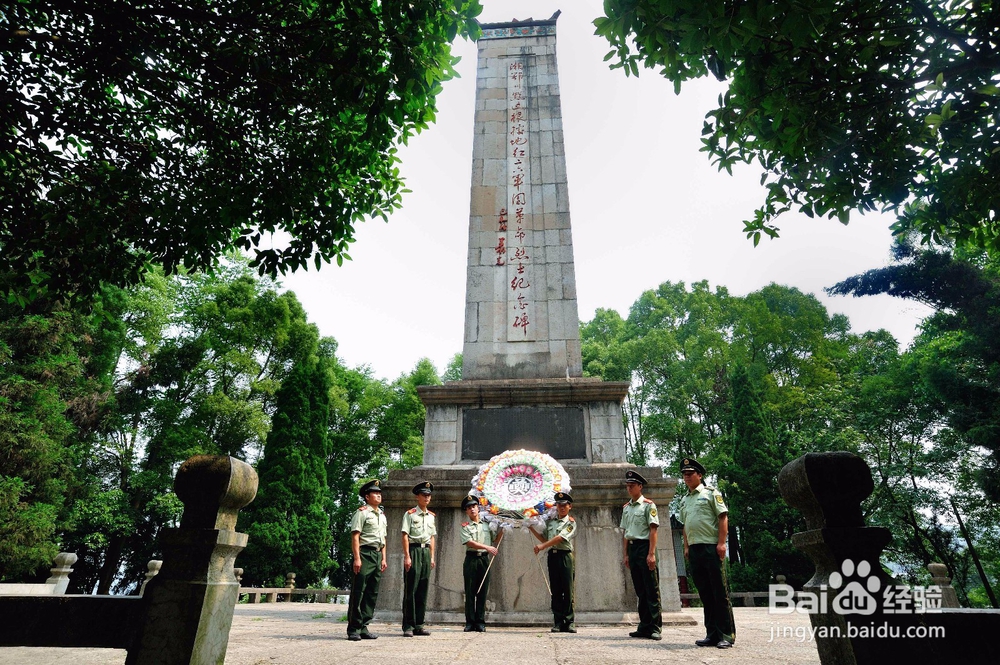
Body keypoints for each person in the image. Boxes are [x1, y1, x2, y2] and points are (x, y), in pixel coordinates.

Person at [679, 458, 736, 650]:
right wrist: (686, 546)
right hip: (694, 549)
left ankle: (726, 635)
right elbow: (686, 525)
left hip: (711, 547)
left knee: (719, 592)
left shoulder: (711, 493)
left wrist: (721, 543)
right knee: (705, 593)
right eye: (684, 474)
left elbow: (723, 517)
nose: (686, 477)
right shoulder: (685, 500)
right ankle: (712, 634)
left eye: (690, 474)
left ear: (699, 475)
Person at [620, 469, 661, 640]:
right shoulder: (626, 508)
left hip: (645, 547)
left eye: (632, 485)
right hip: (633, 549)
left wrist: (651, 554)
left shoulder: (648, 505)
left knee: (651, 589)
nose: (629, 488)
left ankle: (655, 627)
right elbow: (625, 533)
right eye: (627, 485)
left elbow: (653, 530)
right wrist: (625, 554)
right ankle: (644, 626)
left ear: (640, 486)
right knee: (640, 590)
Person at [346, 479, 387, 641]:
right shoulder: (362, 513)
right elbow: (355, 536)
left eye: (379, 493)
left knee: (372, 592)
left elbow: (383, 538)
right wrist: (357, 558)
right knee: (359, 591)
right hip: (364, 553)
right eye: (375, 493)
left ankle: (364, 626)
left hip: (377, 555)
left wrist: (383, 558)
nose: (378, 495)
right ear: (367, 497)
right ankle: (353, 628)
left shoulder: (382, 515)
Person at [530, 491, 577, 633]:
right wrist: (531, 528)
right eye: (559, 505)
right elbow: (545, 539)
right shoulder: (551, 522)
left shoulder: (570, 522)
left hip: (565, 556)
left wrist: (542, 546)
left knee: (567, 590)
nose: (561, 507)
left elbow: (560, 538)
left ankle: (569, 622)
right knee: (555, 590)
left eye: (564, 505)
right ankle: (558, 621)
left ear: (570, 506)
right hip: (553, 556)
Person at [460, 494, 502, 632]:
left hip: (484, 560)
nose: (472, 509)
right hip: (471, 559)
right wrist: (487, 547)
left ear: (478, 508)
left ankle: (480, 622)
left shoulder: (487, 525)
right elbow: (469, 542)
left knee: (482, 592)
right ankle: (470, 622)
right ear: (466, 511)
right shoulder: (465, 526)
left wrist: (504, 529)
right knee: (470, 591)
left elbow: (495, 539)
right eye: (469, 508)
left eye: (474, 506)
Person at [401, 481, 436, 637]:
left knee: (423, 589)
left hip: (426, 552)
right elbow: (405, 535)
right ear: (417, 496)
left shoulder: (431, 516)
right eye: (424, 495)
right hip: (414, 550)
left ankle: (419, 625)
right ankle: (408, 625)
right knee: (411, 589)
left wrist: (432, 556)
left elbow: (432, 537)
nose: (427, 498)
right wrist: (407, 556)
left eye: (429, 495)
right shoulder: (410, 514)